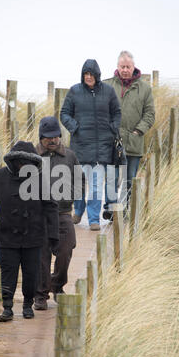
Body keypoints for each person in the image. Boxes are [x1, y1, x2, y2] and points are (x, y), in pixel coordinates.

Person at [0, 141, 59, 322]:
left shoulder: (39, 178)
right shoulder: (0, 176)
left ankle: (27, 305)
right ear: (13, 161)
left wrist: (53, 235)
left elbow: (50, 207)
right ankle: (7, 308)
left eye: (26, 162)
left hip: (33, 236)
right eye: (19, 162)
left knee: (31, 273)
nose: (22, 165)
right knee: (8, 272)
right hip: (6, 236)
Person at [60, 59, 122, 230]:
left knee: (96, 185)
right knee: (79, 183)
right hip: (80, 146)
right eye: (86, 74)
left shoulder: (108, 92)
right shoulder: (74, 91)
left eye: (91, 74)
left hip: (102, 147)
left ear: (97, 75)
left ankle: (94, 219)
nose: (88, 77)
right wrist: (74, 127)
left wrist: (112, 128)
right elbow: (64, 114)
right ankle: (78, 212)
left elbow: (117, 113)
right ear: (82, 75)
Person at [34, 116, 84, 310]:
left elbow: (80, 181)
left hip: (63, 213)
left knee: (66, 250)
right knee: (41, 256)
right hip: (39, 215)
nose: (53, 140)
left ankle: (57, 285)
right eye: (48, 137)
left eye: (56, 136)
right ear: (41, 137)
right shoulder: (32, 156)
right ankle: (40, 295)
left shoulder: (70, 156)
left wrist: (69, 196)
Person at [104, 51, 155, 213]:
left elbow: (149, 114)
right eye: (122, 66)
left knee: (129, 179)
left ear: (133, 67)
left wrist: (138, 131)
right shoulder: (107, 86)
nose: (125, 69)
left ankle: (123, 210)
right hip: (111, 141)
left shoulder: (145, 89)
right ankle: (111, 210)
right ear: (117, 66)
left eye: (128, 67)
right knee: (111, 178)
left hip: (134, 141)